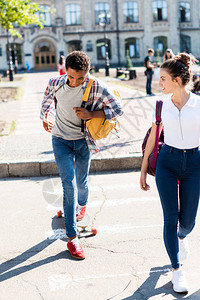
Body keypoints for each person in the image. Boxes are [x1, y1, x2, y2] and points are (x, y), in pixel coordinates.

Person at [41, 51, 123, 260]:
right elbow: (47, 101)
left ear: (87, 73)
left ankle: (80, 209)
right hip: (60, 140)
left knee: (82, 182)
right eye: (71, 77)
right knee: (68, 185)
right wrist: (45, 117)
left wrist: (92, 115)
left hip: (84, 141)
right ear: (65, 71)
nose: (76, 82)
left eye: (81, 78)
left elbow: (117, 109)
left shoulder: (95, 86)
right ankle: (72, 237)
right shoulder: (55, 82)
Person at [140, 53, 200, 293]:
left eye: (163, 79)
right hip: (167, 162)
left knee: (187, 222)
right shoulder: (161, 106)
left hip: (194, 162)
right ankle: (177, 270)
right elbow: (153, 140)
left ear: (176, 80)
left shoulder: (198, 104)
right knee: (169, 217)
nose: (159, 84)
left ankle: (182, 237)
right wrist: (143, 171)